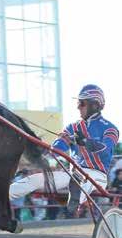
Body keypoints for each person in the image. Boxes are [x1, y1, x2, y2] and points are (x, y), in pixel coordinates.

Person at [10, 84, 119, 218]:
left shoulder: (110, 129)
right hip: (72, 174)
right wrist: (60, 142)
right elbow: (55, 152)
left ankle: (74, 203)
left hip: (96, 175)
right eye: (78, 103)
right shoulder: (72, 127)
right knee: (33, 180)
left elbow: (105, 150)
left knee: (81, 183)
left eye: (82, 103)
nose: (78, 106)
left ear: (95, 105)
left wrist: (84, 141)